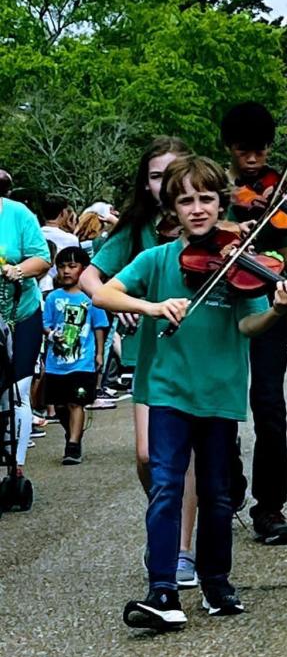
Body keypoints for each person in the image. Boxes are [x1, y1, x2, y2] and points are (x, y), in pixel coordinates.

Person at [96, 155, 287, 630]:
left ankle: (216, 582)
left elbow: (250, 322)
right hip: (167, 391)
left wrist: (278, 310)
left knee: (217, 493)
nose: (198, 208)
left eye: (206, 198)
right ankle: (162, 589)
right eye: (186, 200)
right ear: (172, 208)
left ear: (219, 202)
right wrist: (151, 305)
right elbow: (105, 293)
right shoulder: (158, 258)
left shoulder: (236, 260)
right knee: (166, 486)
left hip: (220, 393)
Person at [80, 137, 198, 583]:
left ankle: (180, 548)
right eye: (154, 175)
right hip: (151, 353)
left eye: (172, 172)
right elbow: (93, 276)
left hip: (195, 355)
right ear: (144, 182)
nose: (164, 183)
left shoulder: (204, 221)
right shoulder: (135, 229)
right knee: (149, 457)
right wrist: (123, 303)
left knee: (179, 457)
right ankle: (165, 521)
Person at [222, 101, 287, 545]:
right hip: (221, 309)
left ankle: (270, 507)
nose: (254, 161)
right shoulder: (215, 192)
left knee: (270, 407)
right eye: (244, 152)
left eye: (260, 151)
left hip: (268, 305)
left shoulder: (284, 195)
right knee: (221, 404)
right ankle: (230, 481)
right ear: (229, 150)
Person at [0, 178, 52, 487]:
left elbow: (42, 259)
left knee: (17, 391)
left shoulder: (17, 214)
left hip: (20, 314)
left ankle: (16, 468)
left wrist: (17, 270)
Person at [43, 245, 109, 464]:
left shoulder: (91, 298)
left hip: (82, 362)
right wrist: (53, 335)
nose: (66, 271)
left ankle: (73, 445)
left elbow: (99, 326)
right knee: (60, 405)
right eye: (61, 266)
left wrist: (99, 353)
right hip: (56, 363)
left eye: (72, 266)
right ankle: (72, 430)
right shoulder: (53, 298)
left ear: (84, 269)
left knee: (76, 402)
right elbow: (46, 324)